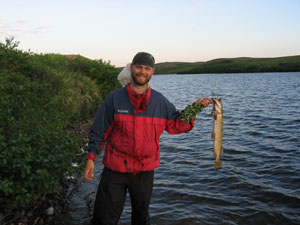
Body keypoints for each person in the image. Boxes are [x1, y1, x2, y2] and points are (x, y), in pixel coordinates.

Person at [84, 52, 213, 225]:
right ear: (131, 68)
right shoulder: (114, 98)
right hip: (115, 169)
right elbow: (99, 129)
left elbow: (176, 124)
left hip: (144, 171)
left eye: (147, 68)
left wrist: (195, 109)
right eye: (138, 67)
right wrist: (91, 157)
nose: (142, 71)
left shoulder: (160, 101)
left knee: (141, 218)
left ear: (152, 72)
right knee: (104, 218)